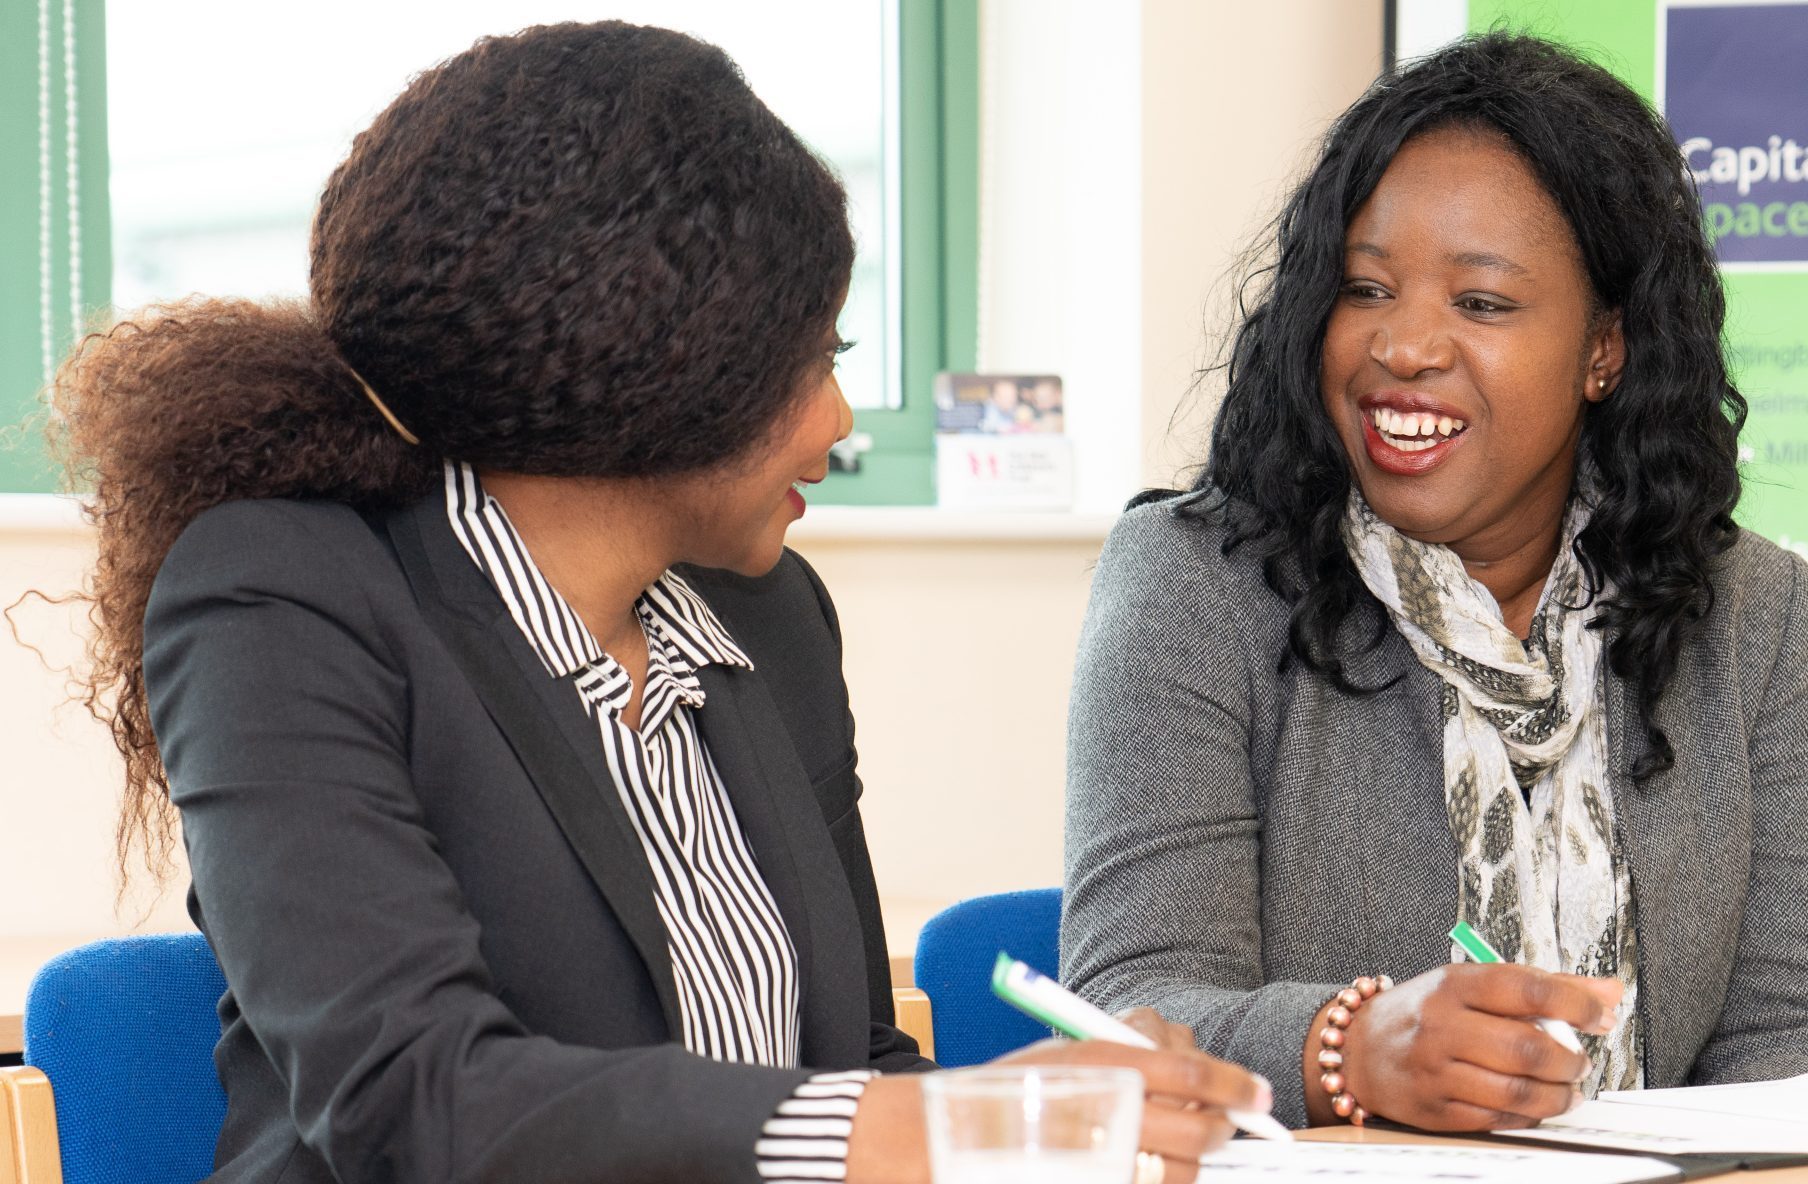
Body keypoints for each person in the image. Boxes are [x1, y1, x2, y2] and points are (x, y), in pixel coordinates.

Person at [53, 23, 1255, 1184]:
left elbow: (853, 1063)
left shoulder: (772, 619)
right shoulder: (281, 595)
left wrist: (1034, 1117)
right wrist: (933, 1127)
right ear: (672, 359)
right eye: (820, 360)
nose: (839, 426)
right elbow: (416, 1101)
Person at [1061, 32, 1808, 1133]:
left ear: (1606, 348)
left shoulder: (1747, 613)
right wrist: (1346, 1046)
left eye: (1482, 303)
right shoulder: (1197, 584)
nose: (1402, 346)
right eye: (1365, 287)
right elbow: (1131, 1014)